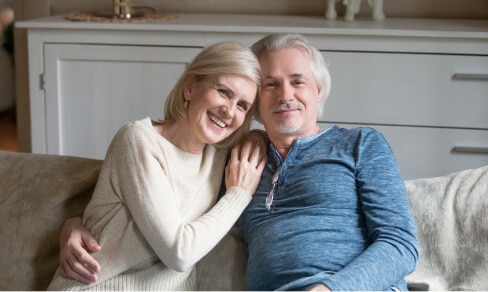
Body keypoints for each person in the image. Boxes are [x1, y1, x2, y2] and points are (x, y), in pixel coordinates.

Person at [59, 33, 419, 291]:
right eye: (270, 85)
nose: (286, 96)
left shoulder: (360, 145)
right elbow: (141, 195)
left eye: (298, 82)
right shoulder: (233, 164)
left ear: (318, 91)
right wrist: (73, 222)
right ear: (257, 105)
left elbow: (400, 244)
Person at [47, 41, 266, 290]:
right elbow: (179, 253)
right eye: (224, 92)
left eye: (242, 106)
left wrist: (257, 137)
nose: (228, 111)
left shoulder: (220, 155)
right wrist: (239, 195)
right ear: (190, 87)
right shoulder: (138, 141)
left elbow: (282, 141)